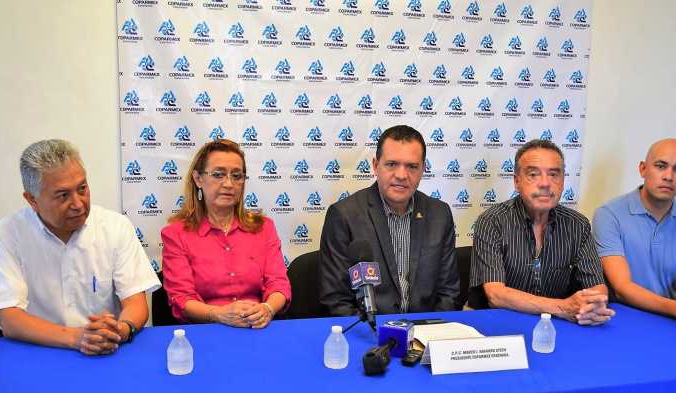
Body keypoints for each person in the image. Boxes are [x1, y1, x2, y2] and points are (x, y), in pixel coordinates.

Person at [0, 139, 160, 354]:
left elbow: (135, 302)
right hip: (40, 350)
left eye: (82, 189)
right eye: (63, 195)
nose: (78, 204)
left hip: (105, 350)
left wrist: (121, 329)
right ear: (32, 200)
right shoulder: (6, 235)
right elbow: (11, 320)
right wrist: (77, 338)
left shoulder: (115, 226)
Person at [468, 139, 614, 325]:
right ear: (517, 182)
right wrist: (562, 308)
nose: (545, 183)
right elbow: (496, 295)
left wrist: (592, 306)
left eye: (553, 174)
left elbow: (597, 288)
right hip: (497, 322)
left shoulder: (578, 225)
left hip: (554, 324)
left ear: (563, 181)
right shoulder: (492, 221)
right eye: (533, 174)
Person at [319, 125, 460, 315]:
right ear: (375, 166)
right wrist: (376, 330)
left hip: (425, 329)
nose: (401, 175)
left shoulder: (440, 214)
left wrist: (431, 329)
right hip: (370, 329)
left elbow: (448, 293)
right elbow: (336, 300)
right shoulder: (344, 215)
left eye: (412, 166)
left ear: (423, 169)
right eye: (392, 164)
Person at [161, 139, 290, 328]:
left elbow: (279, 284)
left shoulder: (264, 227)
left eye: (237, 176)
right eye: (218, 174)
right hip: (206, 329)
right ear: (198, 179)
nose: (229, 183)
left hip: (257, 326)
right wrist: (219, 314)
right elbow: (181, 298)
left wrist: (267, 308)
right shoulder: (176, 234)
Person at [593, 138, 676, 333]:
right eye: (661, 166)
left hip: (668, 322)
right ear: (643, 169)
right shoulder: (609, 214)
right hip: (618, 320)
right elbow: (621, 288)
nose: (669, 176)